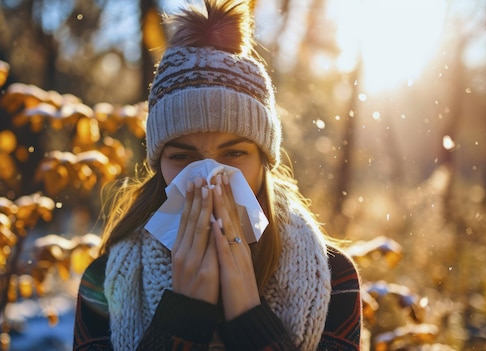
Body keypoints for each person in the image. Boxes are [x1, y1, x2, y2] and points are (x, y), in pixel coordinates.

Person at [73, 0, 361, 349]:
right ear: (159, 163)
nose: (209, 177)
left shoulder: (332, 278)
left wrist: (248, 319)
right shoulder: (104, 282)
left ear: (264, 160)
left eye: (235, 153)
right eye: (182, 155)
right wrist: (180, 319)